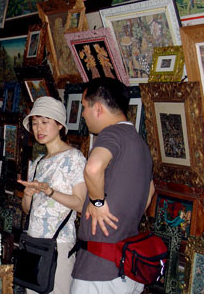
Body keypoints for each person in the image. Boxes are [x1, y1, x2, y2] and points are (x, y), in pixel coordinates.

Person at [70, 78, 154, 294]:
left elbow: (93, 168)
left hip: (99, 270)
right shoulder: (140, 144)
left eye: (85, 107)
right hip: (127, 266)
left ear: (98, 108)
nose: (83, 114)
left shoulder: (112, 133)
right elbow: (150, 190)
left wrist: (99, 203)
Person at [17, 96, 88, 294]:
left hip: (58, 245)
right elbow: (27, 210)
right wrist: (28, 195)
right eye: (34, 123)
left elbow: (81, 204)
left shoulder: (74, 158)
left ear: (59, 126)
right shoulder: (39, 161)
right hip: (33, 243)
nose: (39, 128)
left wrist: (50, 191)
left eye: (45, 122)